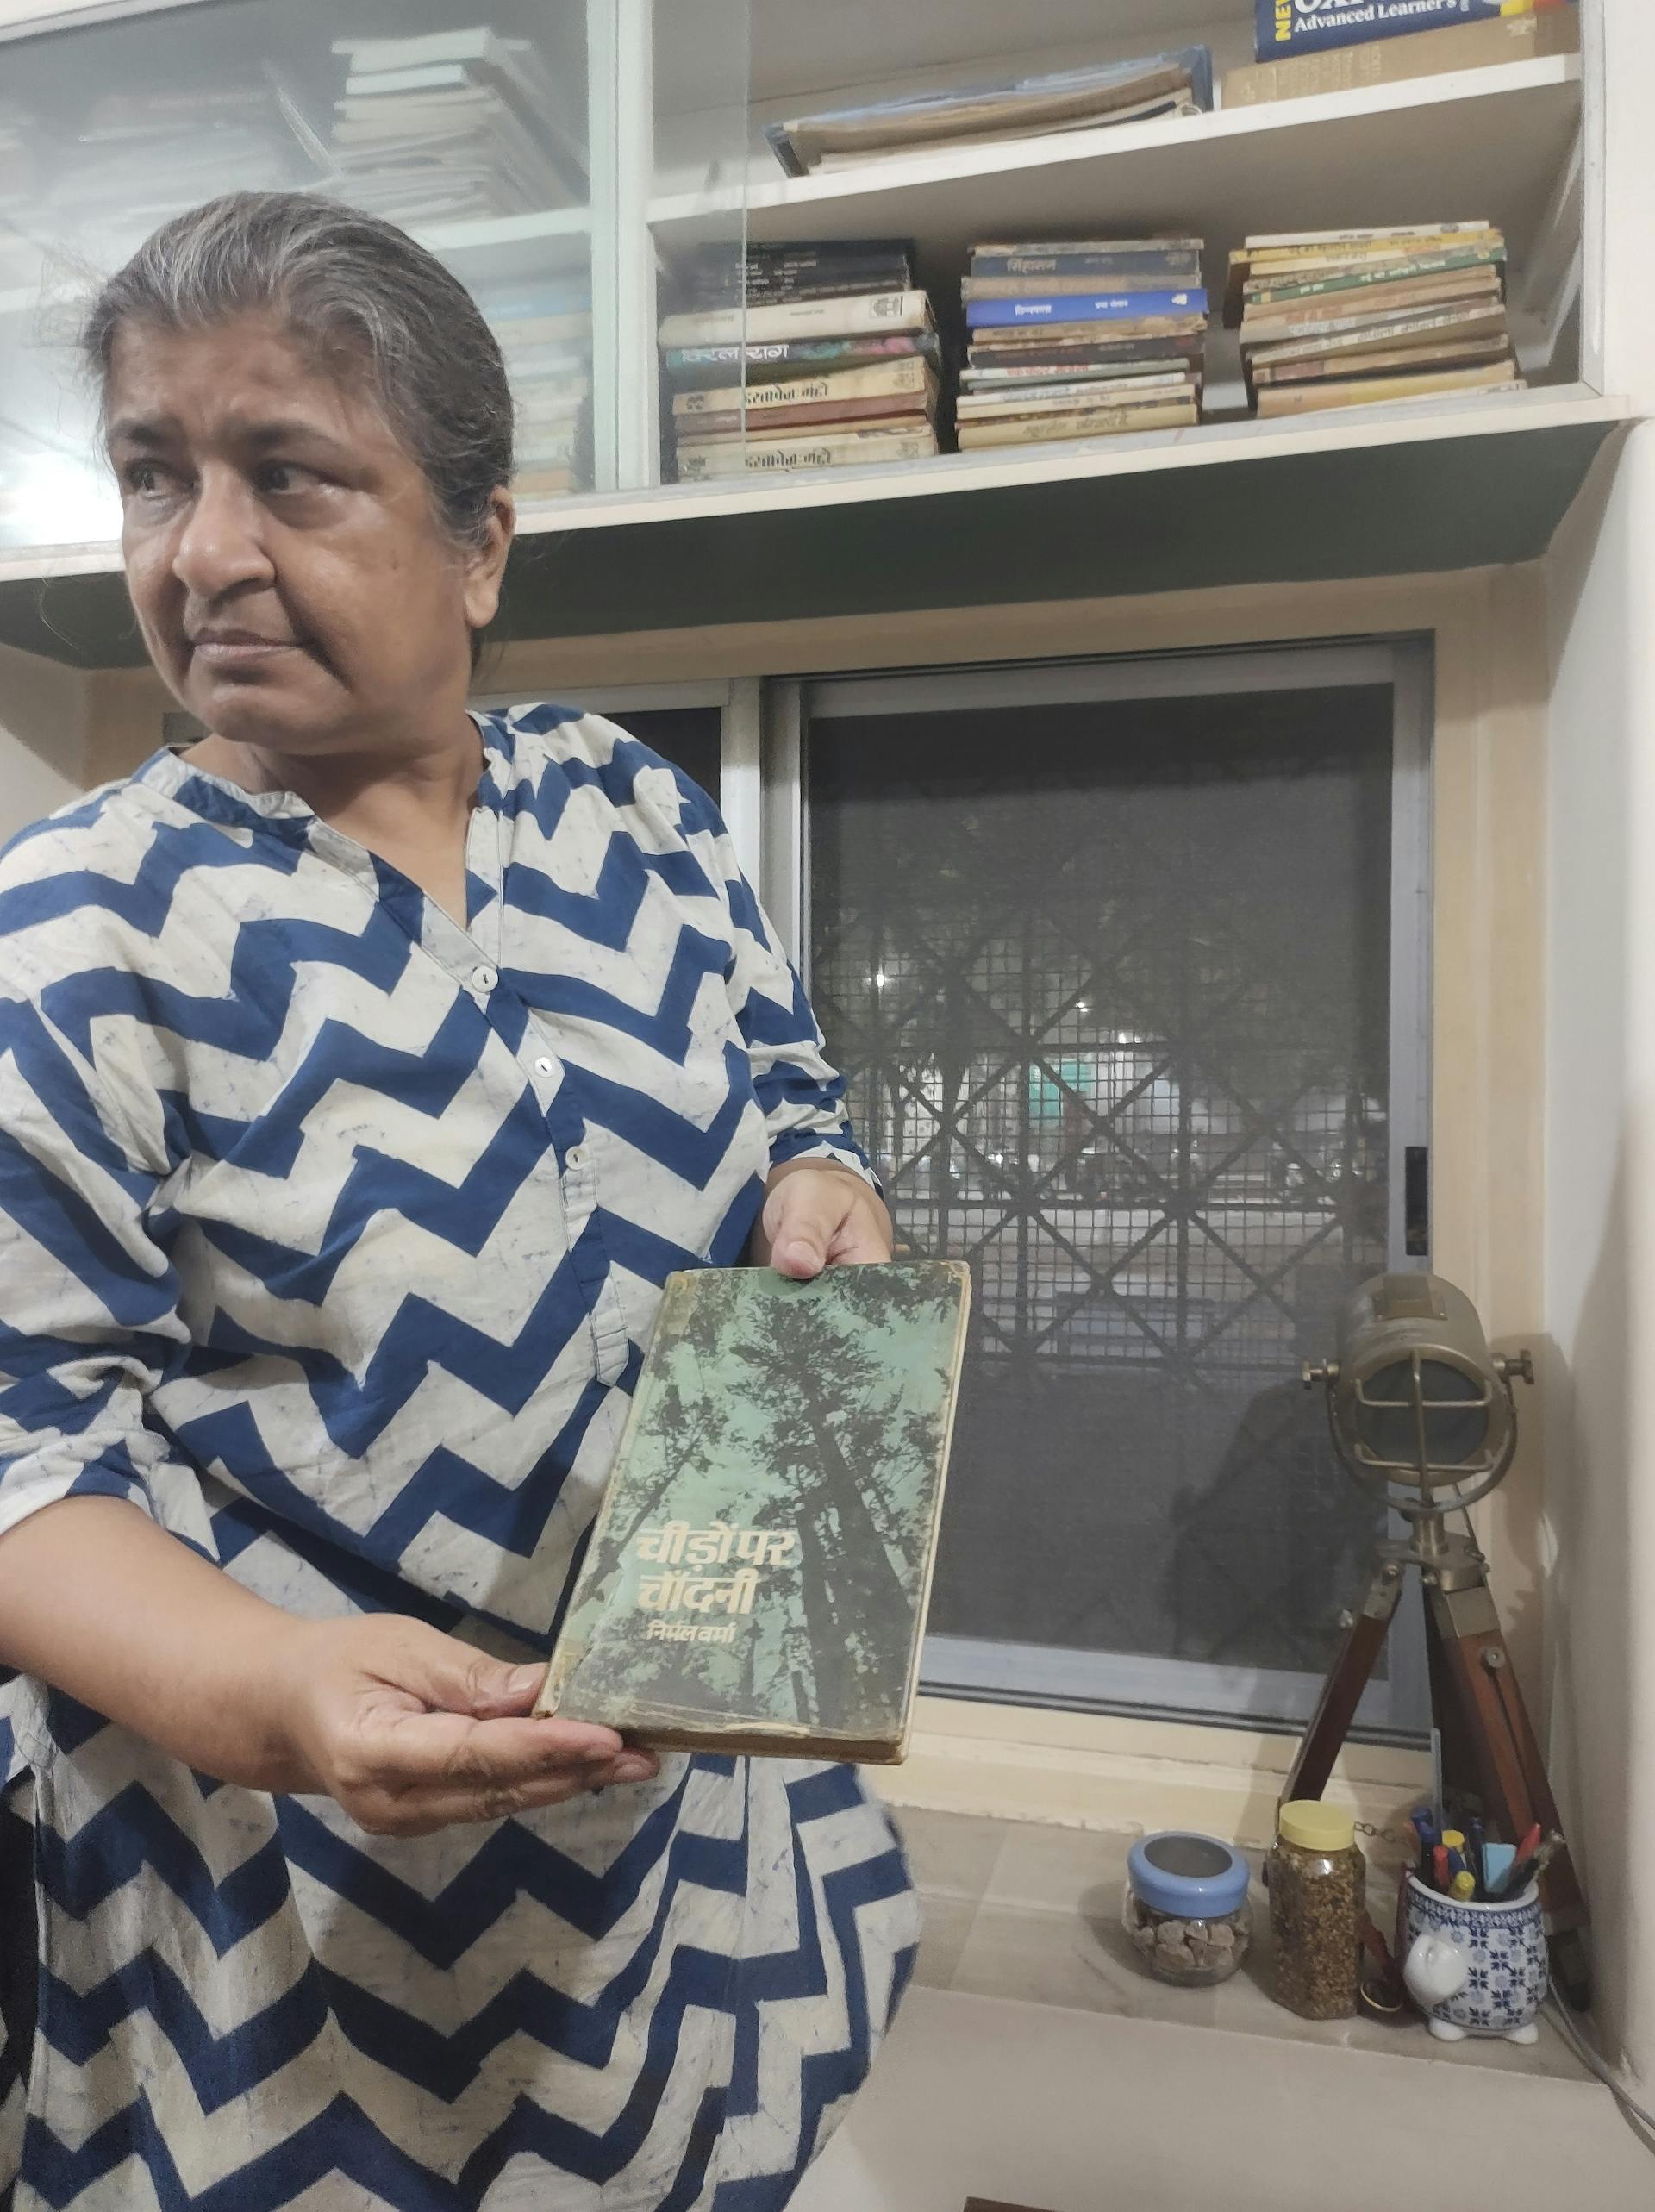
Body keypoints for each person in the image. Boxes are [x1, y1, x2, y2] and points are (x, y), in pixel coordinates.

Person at [0, 191, 917, 2211]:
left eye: (292, 477)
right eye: (155, 476)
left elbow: (785, 1076)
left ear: (481, 543)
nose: (204, 549)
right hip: (298, 1902)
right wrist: (277, 1695)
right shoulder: (76, 924)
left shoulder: (629, 807)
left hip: (692, 1833)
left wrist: (819, 1173)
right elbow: (17, 1471)